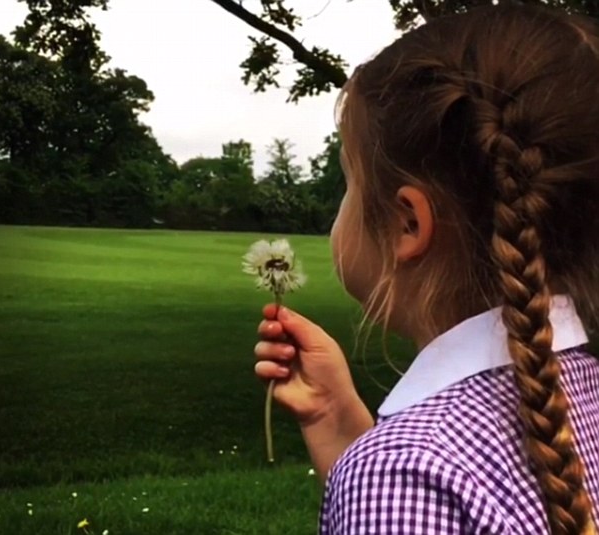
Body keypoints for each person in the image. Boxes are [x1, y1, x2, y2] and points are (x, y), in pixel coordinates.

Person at [254, 4, 599, 534]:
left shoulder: (406, 475)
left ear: (407, 224)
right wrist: (343, 427)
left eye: (349, 183)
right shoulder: (582, 403)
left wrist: (378, 465)